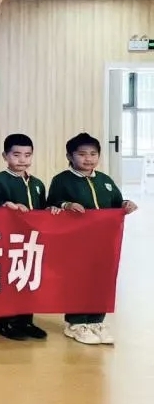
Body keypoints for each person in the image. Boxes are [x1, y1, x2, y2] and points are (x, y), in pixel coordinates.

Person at [47, 132, 138, 345]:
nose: (88, 159)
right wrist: (67, 205)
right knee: (79, 280)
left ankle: (96, 321)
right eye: (82, 154)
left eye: (93, 154)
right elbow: (51, 203)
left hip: (104, 241)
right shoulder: (62, 180)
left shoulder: (105, 181)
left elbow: (116, 202)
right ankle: (76, 323)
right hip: (76, 243)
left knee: (102, 279)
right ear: (69, 156)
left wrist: (126, 204)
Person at [0, 133, 54, 341]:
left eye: (27, 155)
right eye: (16, 155)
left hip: (32, 240)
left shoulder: (37, 183)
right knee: (10, 280)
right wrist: (6, 206)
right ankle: (4, 322)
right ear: (5, 156)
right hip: (9, 240)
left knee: (29, 279)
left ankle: (26, 321)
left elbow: (41, 209)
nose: (22, 160)